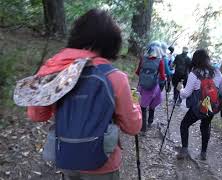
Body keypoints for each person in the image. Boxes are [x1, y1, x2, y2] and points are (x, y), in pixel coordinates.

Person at [27, 9, 142, 180]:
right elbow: (132, 127)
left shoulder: (55, 70)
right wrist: (135, 103)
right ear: (112, 43)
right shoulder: (115, 78)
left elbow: (37, 115)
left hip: (67, 157)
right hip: (103, 163)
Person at [176, 49, 222, 160]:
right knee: (205, 126)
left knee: (184, 124)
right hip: (211, 106)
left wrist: (180, 89)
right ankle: (203, 153)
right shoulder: (217, 71)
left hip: (198, 108)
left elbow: (186, 94)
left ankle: (184, 150)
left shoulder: (194, 74)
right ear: (207, 59)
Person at [136, 41, 166, 134]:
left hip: (142, 86)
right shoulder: (160, 61)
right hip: (152, 86)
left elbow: (137, 72)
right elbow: (162, 77)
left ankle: (142, 127)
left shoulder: (143, 59)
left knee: (142, 106)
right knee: (152, 103)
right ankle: (149, 122)